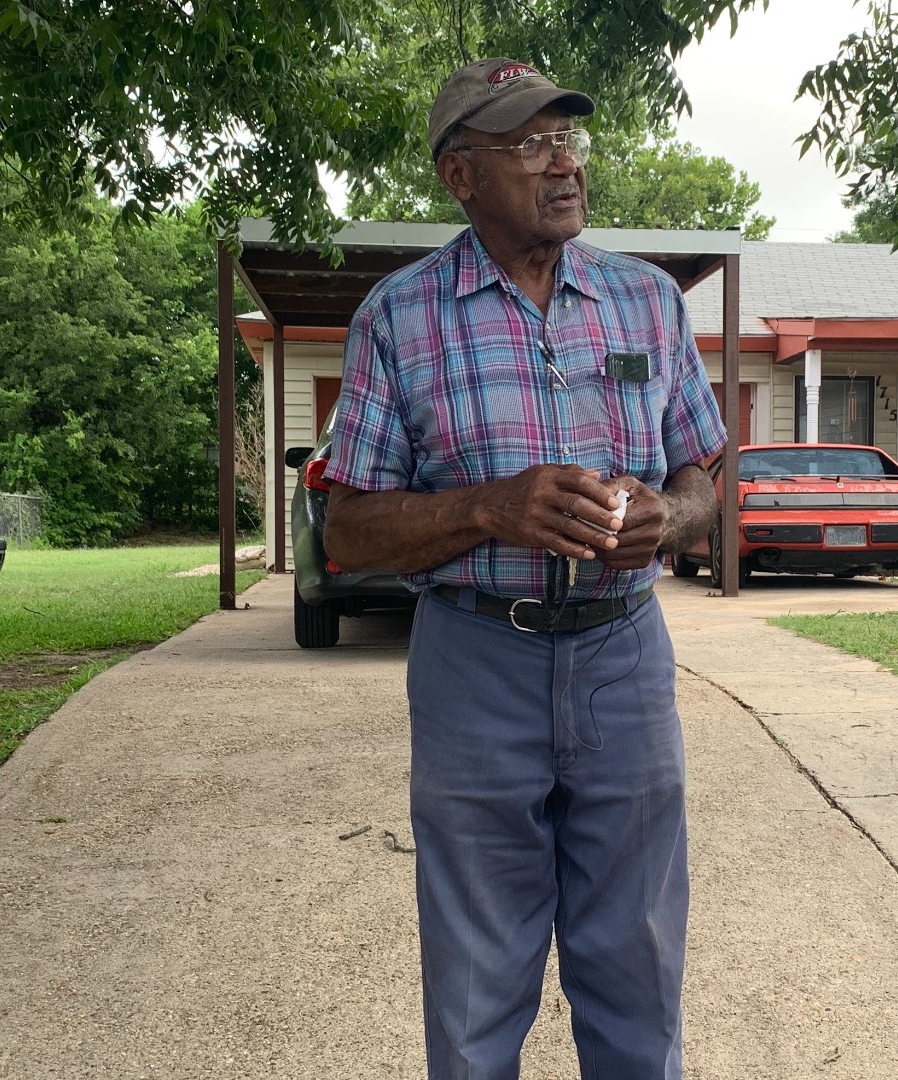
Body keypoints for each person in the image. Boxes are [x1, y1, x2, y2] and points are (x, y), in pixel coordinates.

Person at [320, 57, 725, 1080]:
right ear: (461, 177)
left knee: (637, 955)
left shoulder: (645, 304)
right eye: (530, 146)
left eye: (569, 141)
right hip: (473, 662)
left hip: (624, 658)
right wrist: (491, 507)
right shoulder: (400, 317)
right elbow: (346, 531)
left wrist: (671, 516)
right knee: (473, 975)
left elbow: (706, 469)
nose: (564, 167)